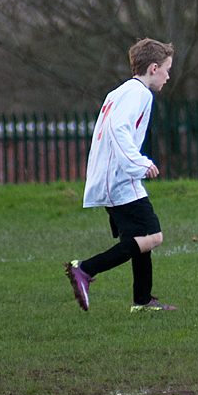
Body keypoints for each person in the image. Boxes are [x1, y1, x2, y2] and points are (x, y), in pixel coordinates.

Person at [65, 38, 177, 313]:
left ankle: (142, 300)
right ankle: (85, 269)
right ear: (153, 68)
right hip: (120, 178)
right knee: (153, 236)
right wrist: (138, 163)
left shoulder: (121, 91)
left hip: (113, 177)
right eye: (166, 69)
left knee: (140, 236)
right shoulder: (139, 93)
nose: (168, 75)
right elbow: (118, 129)